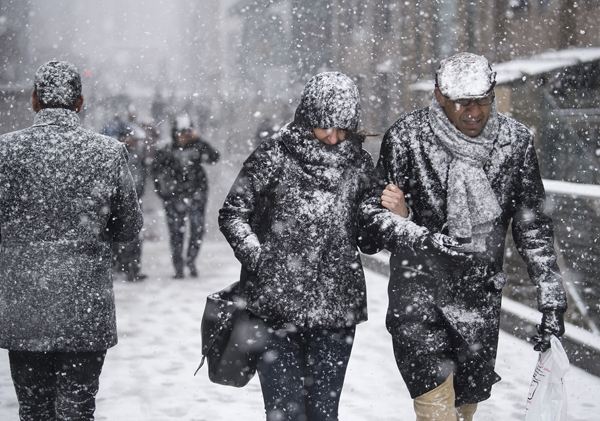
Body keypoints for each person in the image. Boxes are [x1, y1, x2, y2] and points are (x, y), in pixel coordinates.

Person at [359, 52, 568, 421]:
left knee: (463, 411)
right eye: (462, 102)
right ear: (439, 95)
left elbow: (532, 226)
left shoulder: (514, 142)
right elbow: (371, 219)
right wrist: (417, 233)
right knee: (436, 412)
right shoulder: (407, 138)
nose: (474, 112)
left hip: (479, 299)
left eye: (483, 101)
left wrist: (551, 300)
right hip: (418, 296)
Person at [219, 72, 379, 421]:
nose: (334, 138)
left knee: (324, 415)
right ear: (307, 118)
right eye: (325, 127)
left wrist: (393, 211)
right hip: (274, 311)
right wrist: (261, 261)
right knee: (284, 414)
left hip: (336, 314)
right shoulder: (273, 155)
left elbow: (368, 241)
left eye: (343, 129)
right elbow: (233, 215)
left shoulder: (360, 166)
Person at [0, 61, 143, 420]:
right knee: (78, 409)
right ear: (79, 103)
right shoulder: (108, 152)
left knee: (33, 409)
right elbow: (128, 226)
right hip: (84, 303)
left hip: (25, 302)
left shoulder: (5, 152)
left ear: (34, 100)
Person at [152, 115, 220, 278]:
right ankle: (178, 266)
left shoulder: (197, 148)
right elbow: (156, 172)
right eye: (180, 133)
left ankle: (191, 260)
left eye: (186, 133)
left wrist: (199, 140)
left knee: (197, 230)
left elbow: (214, 157)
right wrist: (163, 192)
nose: (182, 136)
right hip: (173, 197)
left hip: (196, 195)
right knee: (176, 233)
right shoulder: (166, 150)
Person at [102, 117, 148, 282]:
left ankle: (132, 268)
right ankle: (121, 267)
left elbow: (142, 177)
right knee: (119, 237)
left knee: (134, 237)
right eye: (132, 138)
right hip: (118, 204)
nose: (136, 142)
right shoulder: (116, 156)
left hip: (132, 202)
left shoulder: (136, 155)